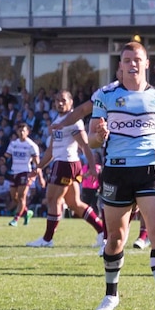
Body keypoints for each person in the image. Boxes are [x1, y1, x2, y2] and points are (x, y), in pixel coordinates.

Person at [88, 41, 155, 310]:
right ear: (120, 65)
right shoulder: (104, 95)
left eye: (136, 59)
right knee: (116, 237)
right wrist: (100, 135)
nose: (132, 64)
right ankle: (111, 295)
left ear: (146, 63)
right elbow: (93, 138)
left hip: (150, 170)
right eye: (126, 59)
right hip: (117, 170)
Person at [26, 90, 104, 248]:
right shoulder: (59, 120)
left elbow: (85, 146)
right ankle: (103, 232)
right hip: (65, 164)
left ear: (71, 103)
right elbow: (51, 150)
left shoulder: (74, 121)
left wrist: (92, 167)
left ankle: (47, 239)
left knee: (53, 199)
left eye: (63, 100)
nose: (59, 103)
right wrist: (38, 168)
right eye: (57, 100)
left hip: (66, 164)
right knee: (74, 203)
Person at [4, 122, 41, 226]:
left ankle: (15, 219)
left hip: (25, 172)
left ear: (27, 132)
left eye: (23, 130)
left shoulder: (31, 145)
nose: (21, 132)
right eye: (19, 130)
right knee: (14, 198)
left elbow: (37, 162)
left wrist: (40, 177)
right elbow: (7, 156)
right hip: (14, 172)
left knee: (21, 197)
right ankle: (27, 212)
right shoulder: (13, 144)